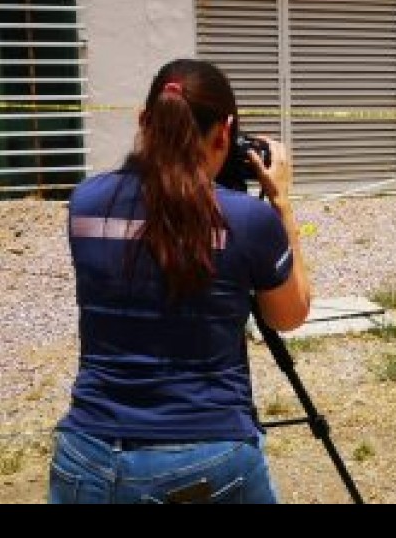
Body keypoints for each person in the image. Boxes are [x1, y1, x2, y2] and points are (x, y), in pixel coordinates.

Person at [48, 58, 311, 504]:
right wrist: (281, 204)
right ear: (224, 134)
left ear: (143, 121)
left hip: (85, 455)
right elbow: (289, 315)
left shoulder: (86, 203)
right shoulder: (247, 220)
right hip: (208, 457)